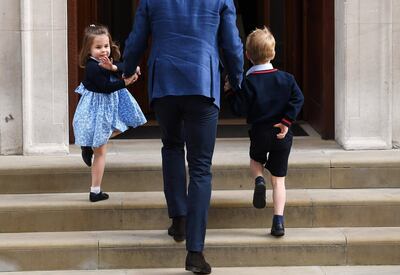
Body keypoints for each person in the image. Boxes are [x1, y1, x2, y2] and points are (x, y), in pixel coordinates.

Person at [123, 1, 243, 273]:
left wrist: (127, 69)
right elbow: (232, 44)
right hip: (202, 80)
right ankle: (195, 252)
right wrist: (237, 80)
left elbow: (136, 40)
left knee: (172, 147)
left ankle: (178, 219)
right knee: (201, 167)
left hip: (164, 81)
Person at [225, 27, 304, 237]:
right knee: (279, 180)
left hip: (260, 132)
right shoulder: (287, 79)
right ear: (274, 53)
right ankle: (278, 221)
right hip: (282, 133)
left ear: (247, 56)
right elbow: (298, 99)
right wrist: (287, 121)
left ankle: (258, 179)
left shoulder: (248, 82)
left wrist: (231, 92)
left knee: (255, 160)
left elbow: (239, 109)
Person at [73, 24, 147, 202]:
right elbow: (106, 88)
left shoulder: (105, 62)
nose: (104, 50)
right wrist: (126, 82)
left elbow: (119, 66)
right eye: (98, 47)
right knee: (101, 152)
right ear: (89, 49)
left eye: (106, 46)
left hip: (108, 108)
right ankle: (95, 191)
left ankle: (89, 144)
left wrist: (118, 69)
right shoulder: (92, 67)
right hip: (98, 109)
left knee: (124, 126)